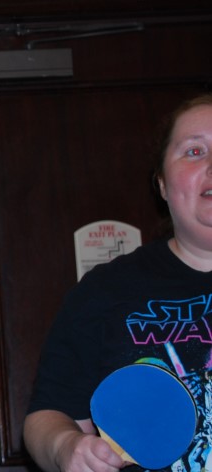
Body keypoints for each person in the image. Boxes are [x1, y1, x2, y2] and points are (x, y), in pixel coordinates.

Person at [24, 93, 212, 472]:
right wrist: (65, 446)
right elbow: (48, 414)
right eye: (194, 151)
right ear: (162, 184)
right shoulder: (104, 291)